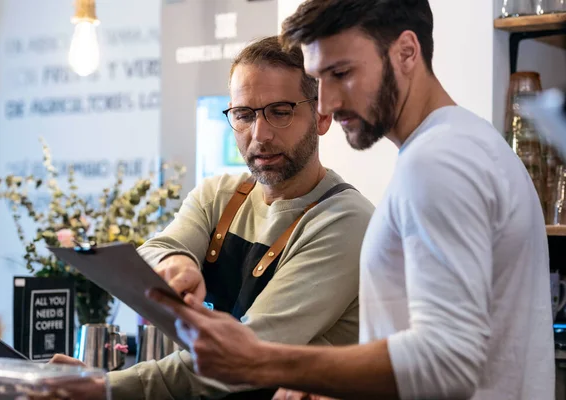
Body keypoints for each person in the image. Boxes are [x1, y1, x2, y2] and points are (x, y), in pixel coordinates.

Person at [146, 1, 555, 399]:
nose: (326, 104)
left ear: (406, 52)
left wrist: (262, 361)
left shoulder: (437, 163)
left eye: (341, 73)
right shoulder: (465, 143)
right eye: (320, 79)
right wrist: (331, 381)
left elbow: (445, 365)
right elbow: (444, 350)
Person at [51, 35, 375, 400]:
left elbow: (239, 359)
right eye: (244, 114)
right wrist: (176, 261)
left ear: (321, 116)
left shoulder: (346, 221)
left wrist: (104, 388)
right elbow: (157, 249)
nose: (260, 134)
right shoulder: (219, 195)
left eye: (280, 112)